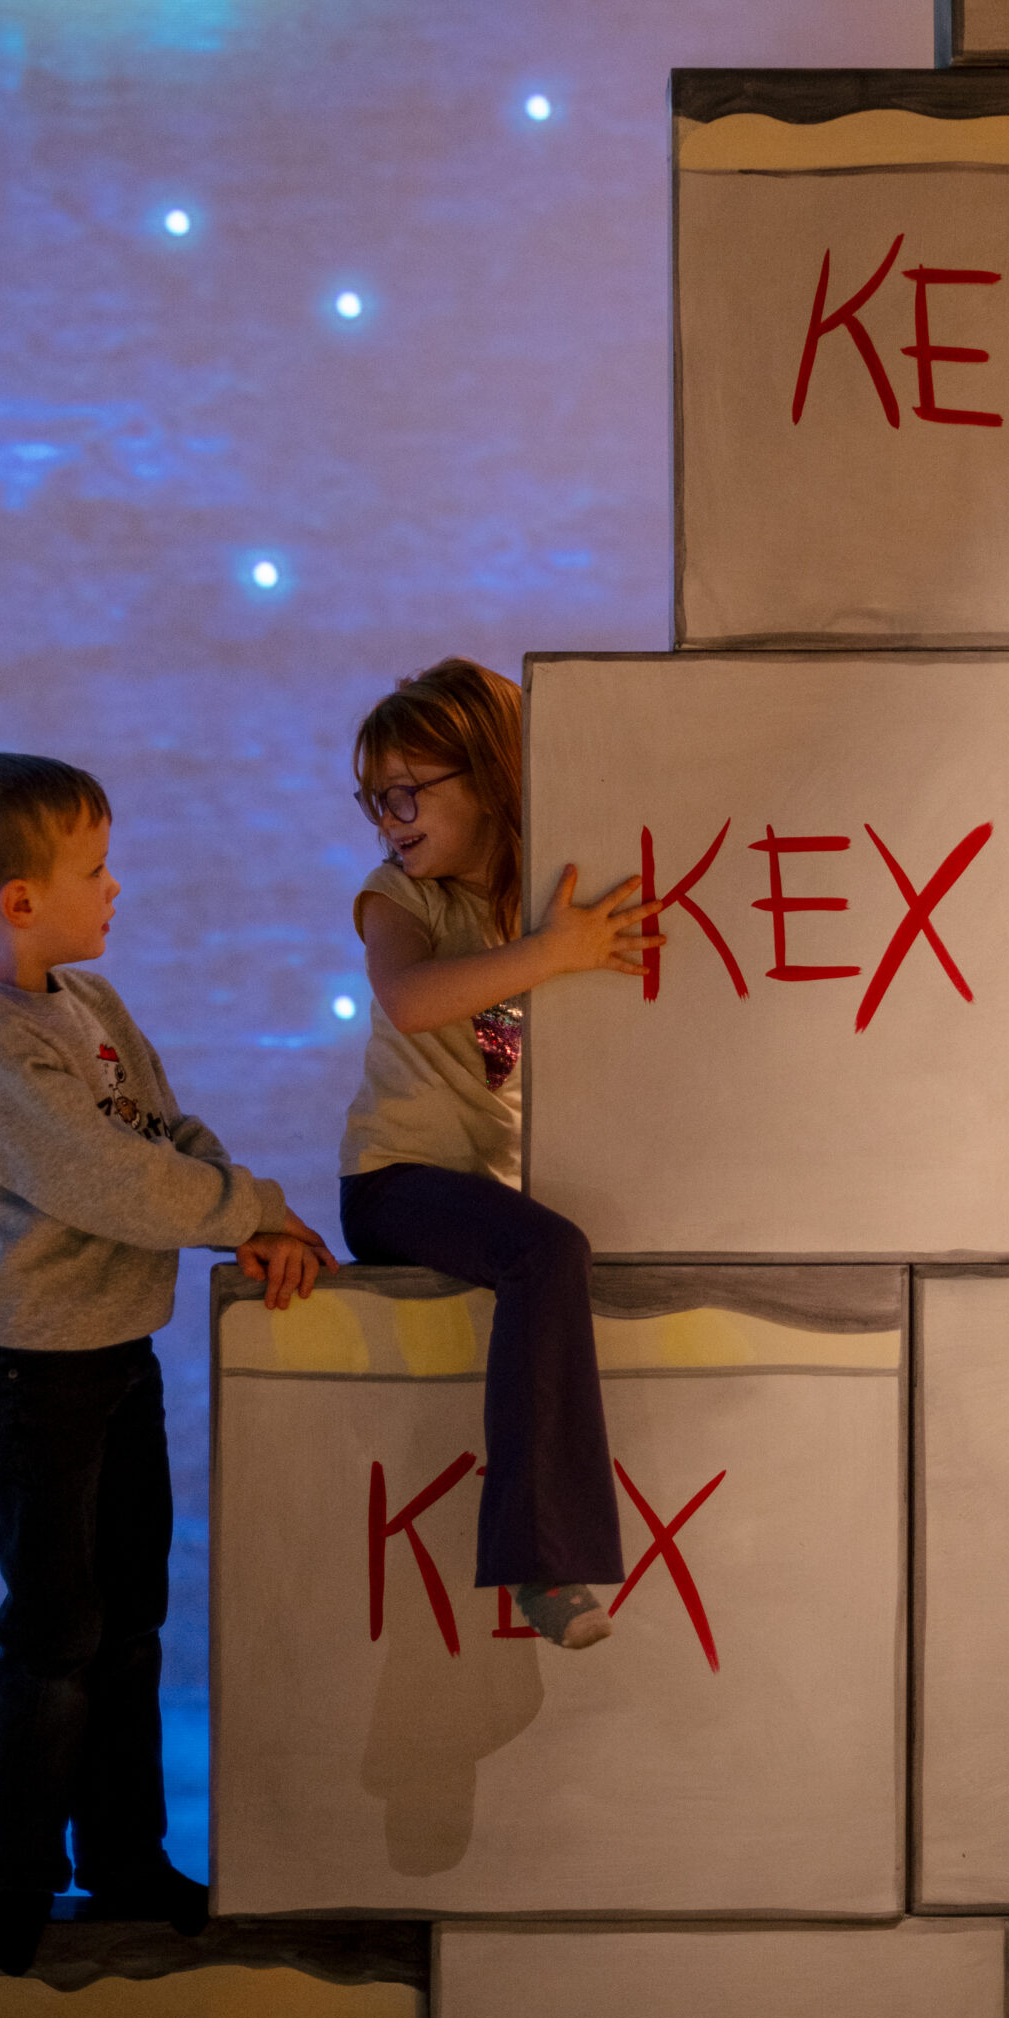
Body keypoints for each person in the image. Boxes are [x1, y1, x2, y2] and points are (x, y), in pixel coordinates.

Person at [0, 751, 335, 1977]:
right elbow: (113, 1180)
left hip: (112, 1357)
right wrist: (251, 1207)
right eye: (94, 869)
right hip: (28, 1373)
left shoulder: (90, 1004)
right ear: (20, 899)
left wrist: (248, 1211)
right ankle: (19, 1880)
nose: (116, 886)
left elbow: (165, 1131)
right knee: (54, 1631)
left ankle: (126, 1856)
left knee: (128, 1618)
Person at [339, 658, 665, 1650]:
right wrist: (551, 954)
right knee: (547, 1250)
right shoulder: (397, 897)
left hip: (490, 1183)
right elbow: (410, 998)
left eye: (406, 792)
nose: (389, 820)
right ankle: (541, 1562)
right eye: (374, 800)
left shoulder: (534, 897)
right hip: (393, 1184)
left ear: (487, 776)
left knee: (569, 1243)